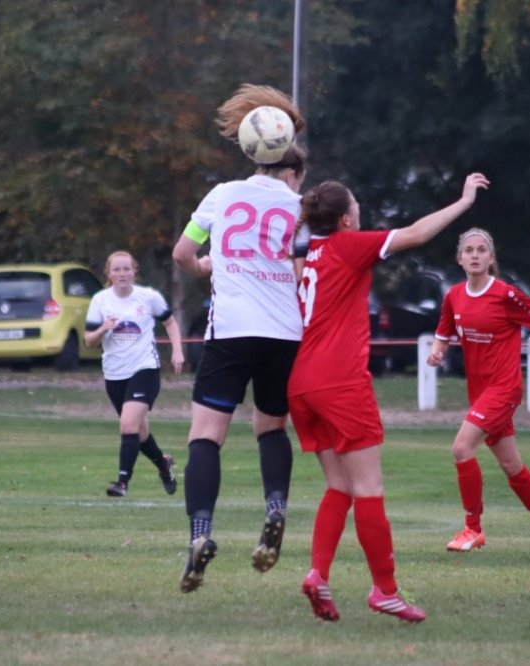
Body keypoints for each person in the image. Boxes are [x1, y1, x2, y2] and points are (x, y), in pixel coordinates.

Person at [290, 173, 489, 623]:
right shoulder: (347, 244)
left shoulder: (309, 253)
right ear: (345, 218)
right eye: (355, 204)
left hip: (301, 382)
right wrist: (463, 201)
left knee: (339, 486)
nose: (359, 209)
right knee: (369, 489)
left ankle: (318, 574)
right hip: (339, 381)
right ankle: (385, 591)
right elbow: (416, 233)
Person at [172, 84, 307, 593]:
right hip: (284, 333)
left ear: (251, 151)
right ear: (289, 163)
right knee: (271, 428)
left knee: (206, 436)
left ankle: (200, 534)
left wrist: (206, 265)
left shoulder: (223, 195)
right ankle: (275, 508)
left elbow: (182, 254)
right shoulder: (299, 206)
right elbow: (303, 269)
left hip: (231, 330)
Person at [427, 228, 530, 555]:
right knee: (510, 465)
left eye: (481, 250)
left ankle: (472, 529)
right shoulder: (454, 296)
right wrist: (437, 353)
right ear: (459, 258)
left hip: (504, 389)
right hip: (479, 392)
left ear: (491, 258)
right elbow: (442, 336)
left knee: (461, 448)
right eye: (469, 250)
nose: (475, 255)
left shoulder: (506, 295)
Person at [84, 251, 185, 498]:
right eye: (117, 269)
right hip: (114, 375)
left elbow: (170, 322)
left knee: (128, 424)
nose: (122, 274)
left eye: (126, 269)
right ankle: (164, 464)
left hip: (145, 369)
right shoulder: (100, 300)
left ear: (134, 271)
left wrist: (177, 351)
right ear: (109, 273)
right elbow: (89, 341)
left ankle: (122, 483)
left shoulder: (148, 297)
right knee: (139, 433)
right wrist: (102, 329)